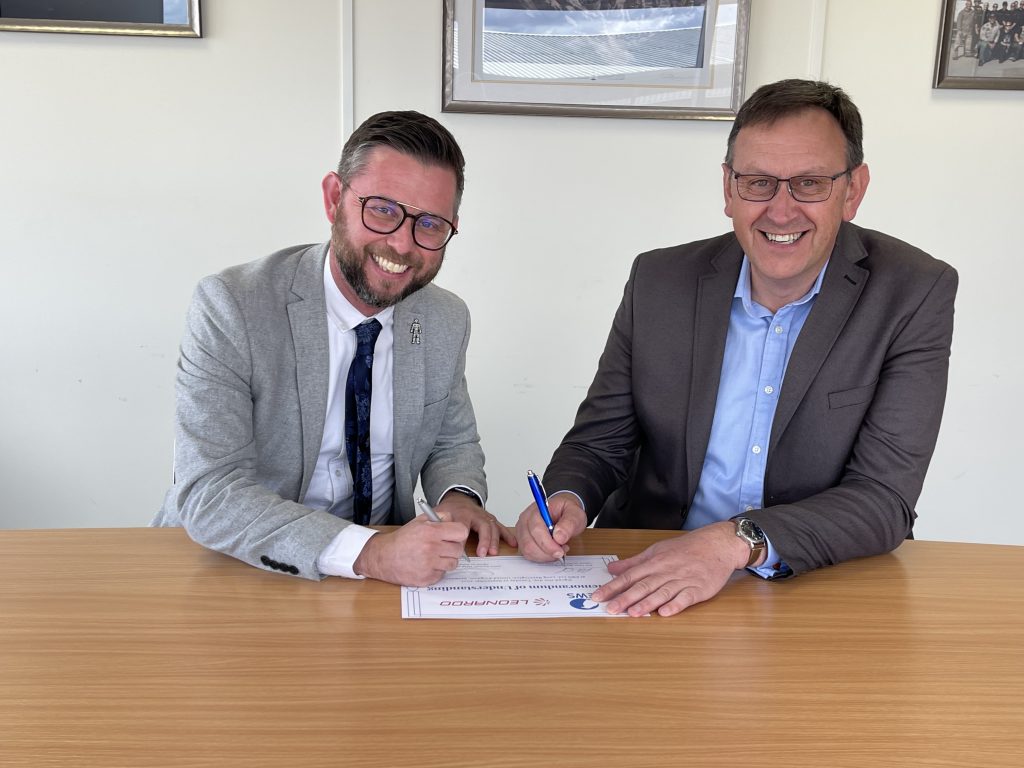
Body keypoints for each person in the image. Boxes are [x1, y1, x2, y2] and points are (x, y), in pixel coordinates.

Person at [515, 79, 957, 617]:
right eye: (758, 182)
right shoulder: (658, 280)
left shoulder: (913, 291)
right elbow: (599, 442)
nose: (781, 210)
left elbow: (883, 498)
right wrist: (568, 496)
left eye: (810, 183)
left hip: (813, 583)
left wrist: (732, 543)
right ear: (728, 188)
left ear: (853, 190)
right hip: (647, 570)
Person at [154, 110, 514, 585]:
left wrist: (459, 498)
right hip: (241, 567)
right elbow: (211, 489)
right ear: (333, 198)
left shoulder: (445, 318)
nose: (402, 244)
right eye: (382, 209)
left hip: (390, 582)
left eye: (429, 224)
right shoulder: (233, 305)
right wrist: (368, 553)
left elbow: (451, 441)